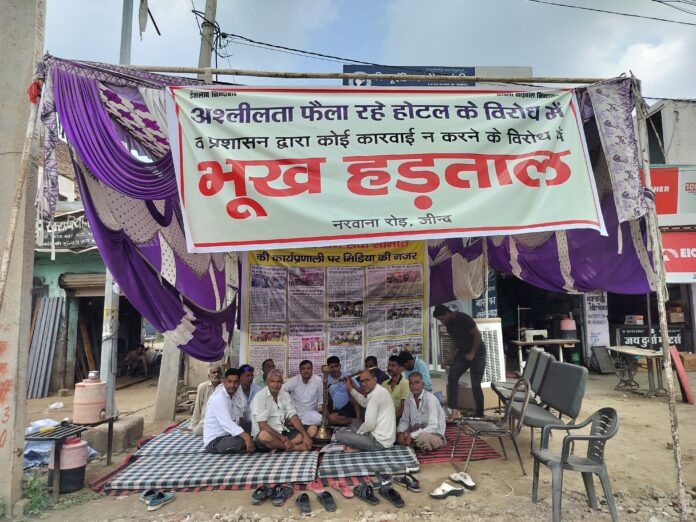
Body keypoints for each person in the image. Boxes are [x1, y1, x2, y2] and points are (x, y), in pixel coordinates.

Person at [433, 304, 487, 418]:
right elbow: (454, 340)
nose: (442, 322)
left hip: (477, 351)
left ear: (447, 313)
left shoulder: (464, 318)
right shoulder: (448, 324)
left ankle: (480, 414)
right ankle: (453, 410)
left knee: (475, 383)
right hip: (462, 352)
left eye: (442, 319)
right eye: (440, 321)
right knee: (452, 375)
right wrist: (449, 357)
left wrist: (472, 353)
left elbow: (477, 335)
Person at [334, 368, 396, 452]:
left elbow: (370, 425)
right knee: (355, 422)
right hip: (384, 438)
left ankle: (359, 446)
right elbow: (363, 402)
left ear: (375, 379)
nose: (364, 384)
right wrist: (350, 387)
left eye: (367, 380)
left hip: (379, 442)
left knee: (339, 435)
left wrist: (357, 436)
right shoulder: (379, 390)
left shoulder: (375, 395)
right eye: (362, 381)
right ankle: (359, 445)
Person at [251, 369, 313, 451]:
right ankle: (294, 447)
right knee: (264, 436)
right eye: (272, 381)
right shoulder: (260, 397)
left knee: (302, 435)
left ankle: (278, 446)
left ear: (282, 383)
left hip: (282, 431)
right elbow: (262, 426)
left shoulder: (285, 395)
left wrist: (305, 435)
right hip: (266, 434)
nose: (276, 385)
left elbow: (293, 416)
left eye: (278, 382)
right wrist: (284, 439)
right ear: (267, 382)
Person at [203, 368, 255, 454]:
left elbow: (247, 412)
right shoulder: (219, 398)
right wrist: (246, 436)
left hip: (231, 435)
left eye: (236, 382)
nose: (232, 385)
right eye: (229, 382)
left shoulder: (237, 393)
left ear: (239, 382)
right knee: (244, 442)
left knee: (257, 435)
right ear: (224, 381)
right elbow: (227, 423)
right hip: (216, 440)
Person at [397, 372, 446, 452]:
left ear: (422, 384)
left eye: (417, 382)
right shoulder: (408, 398)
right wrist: (400, 432)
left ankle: (414, 443)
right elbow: (405, 420)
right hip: (414, 430)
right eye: (411, 383)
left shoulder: (430, 399)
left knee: (423, 439)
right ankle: (413, 443)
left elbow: (433, 427)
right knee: (397, 434)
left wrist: (412, 435)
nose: (413, 386)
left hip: (433, 434)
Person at [282, 360, 322, 436]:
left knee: (320, 419)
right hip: (294, 413)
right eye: (303, 369)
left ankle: (295, 424)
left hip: (310, 413)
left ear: (312, 369)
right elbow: (281, 390)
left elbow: (321, 401)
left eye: (308, 368)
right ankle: (299, 426)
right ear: (300, 370)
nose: (306, 371)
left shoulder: (318, 380)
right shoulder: (294, 380)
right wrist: (288, 402)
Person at [190, 365, 221, 436]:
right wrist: (193, 425)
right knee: (197, 431)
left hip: (221, 420)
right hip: (207, 421)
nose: (216, 374)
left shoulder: (224, 386)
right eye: (214, 372)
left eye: (218, 372)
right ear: (209, 376)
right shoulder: (203, 387)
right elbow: (198, 406)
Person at [326, 356, 358, 425]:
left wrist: (350, 384)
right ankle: (354, 420)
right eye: (331, 367)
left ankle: (358, 419)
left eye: (336, 366)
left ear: (340, 366)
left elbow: (359, 390)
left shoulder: (347, 375)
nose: (334, 369)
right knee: (330, 418)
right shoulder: (326, 379)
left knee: (351, 391)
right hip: (338, 410)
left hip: (351, 406)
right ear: (328, 368)